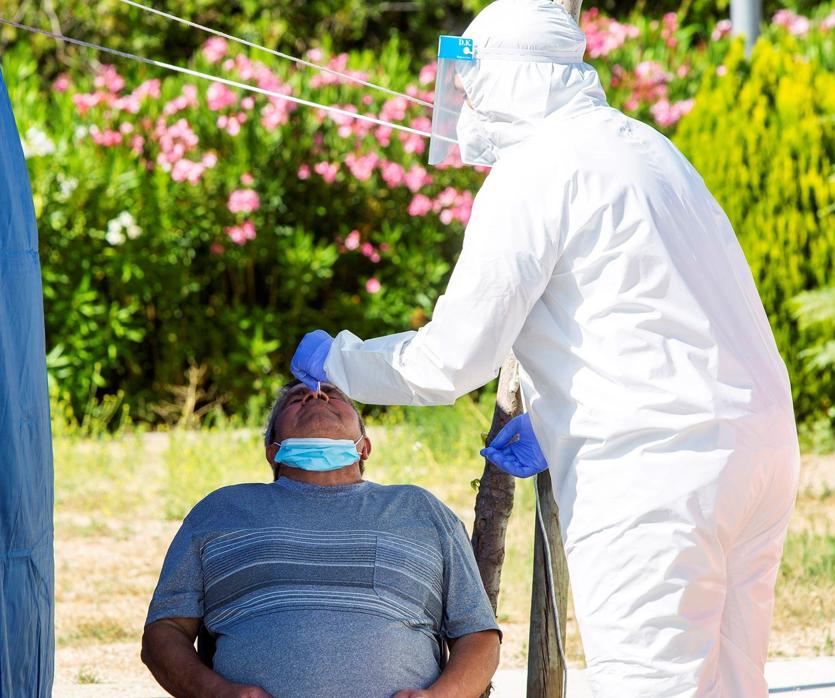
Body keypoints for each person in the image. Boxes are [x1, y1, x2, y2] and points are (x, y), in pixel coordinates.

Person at [287, 0, 800, 695]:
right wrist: (555, 417)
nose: (465, 105)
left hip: (655, 473)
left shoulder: (535, 172)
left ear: (506, 79)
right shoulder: (644, 145)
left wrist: (339, 360)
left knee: (651, 684)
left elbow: (449, 361)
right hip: (755, 452)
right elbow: (649, 308)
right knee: (733, 684)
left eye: (472, 87)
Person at [140, 381, 501, 698]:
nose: (315, 393)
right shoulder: (220, 509)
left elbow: (478, 636)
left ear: (365, 447)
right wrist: (216, 692)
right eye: (297, 399)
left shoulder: (420, 508)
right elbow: (165, 631)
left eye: (332, 395)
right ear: (273, 451)